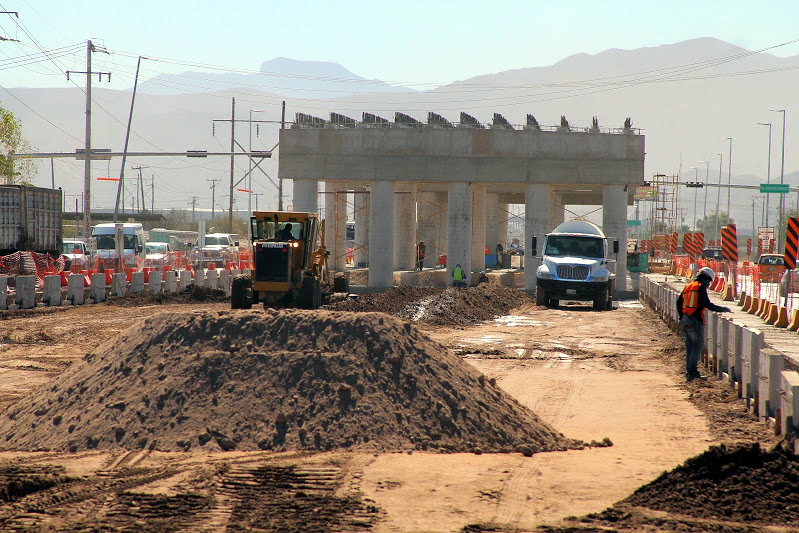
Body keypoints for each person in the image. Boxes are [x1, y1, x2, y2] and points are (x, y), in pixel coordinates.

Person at [676, 267, 732, 381]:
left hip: (685, 319)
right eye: (709, 281)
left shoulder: (688, 286)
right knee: (697, 346)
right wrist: (722, 309)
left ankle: (689, 372)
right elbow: (707, 304)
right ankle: (692, 373)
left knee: (690, 347)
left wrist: (682, 317)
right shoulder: (700, 287)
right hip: (695, 320)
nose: (708, 284)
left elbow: (678, 302)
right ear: (706, 278)